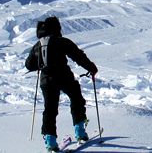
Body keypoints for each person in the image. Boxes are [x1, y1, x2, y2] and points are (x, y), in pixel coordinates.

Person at [25, 16, 98, 151]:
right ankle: (80, 132)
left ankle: (50, 141)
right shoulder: (61, 41)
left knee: (50, 109)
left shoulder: (37, 45)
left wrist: (39, 65)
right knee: (76, 99)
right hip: (64, 76)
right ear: (56, 27)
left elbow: (29, 65)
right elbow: (78, 56)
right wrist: (92, 68)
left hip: (46, 81)